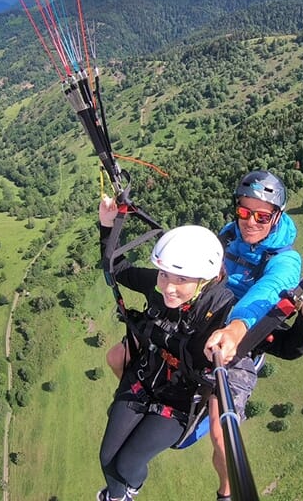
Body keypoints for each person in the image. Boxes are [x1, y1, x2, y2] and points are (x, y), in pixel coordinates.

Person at [202, 170, 303, 501]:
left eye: (261, 215)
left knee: (221, 434)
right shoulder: (229, 236)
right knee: (121, 356)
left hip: (240, 339)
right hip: (205, 319)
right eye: (244, 212)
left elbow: (267, 292)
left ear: (277, 215)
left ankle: (227, 491)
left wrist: (238, 328)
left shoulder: (286, 261)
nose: (250, 222)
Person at [96, 197, 234, 501]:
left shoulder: (223, 310)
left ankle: (123, 492)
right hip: (144, 377)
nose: (168, 287)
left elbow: (281, 344)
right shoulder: (160, 287)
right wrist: (108, 226)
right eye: (164, 274)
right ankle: (118, 497)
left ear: (204, 279)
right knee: (107, 459)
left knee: (128, 463)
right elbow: (118, 268)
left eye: (181, 279)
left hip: (181, 401)